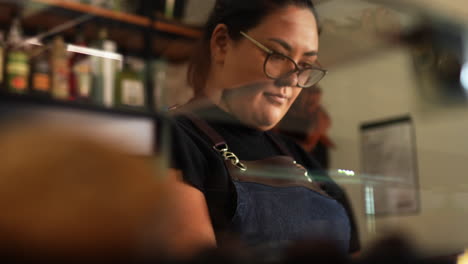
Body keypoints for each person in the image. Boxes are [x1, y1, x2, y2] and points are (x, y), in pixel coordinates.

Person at [167, 0, 356, 257]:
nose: (291, 80)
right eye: (277, 55)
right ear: (222, 44)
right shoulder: (175, 138)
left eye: (305, 65)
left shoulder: (301, 157)